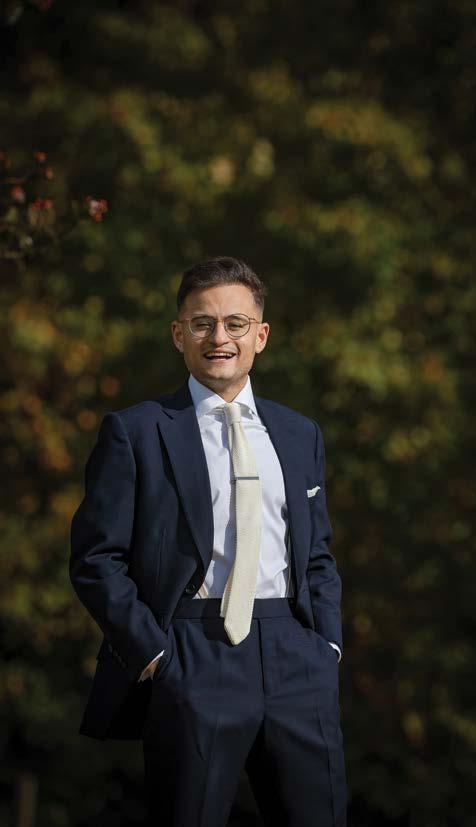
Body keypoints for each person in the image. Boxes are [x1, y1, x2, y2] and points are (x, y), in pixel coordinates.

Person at [69, 256, 347, 827]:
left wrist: (328, 646)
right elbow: (96, 559)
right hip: (191, 653)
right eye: (203, 324)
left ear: (260, 336)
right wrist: (155, 656)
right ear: (179, 335)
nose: (219, 337)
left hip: (297, 656)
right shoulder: (136, 431)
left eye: (235, 324)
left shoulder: (301, 434)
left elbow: (317, 553)